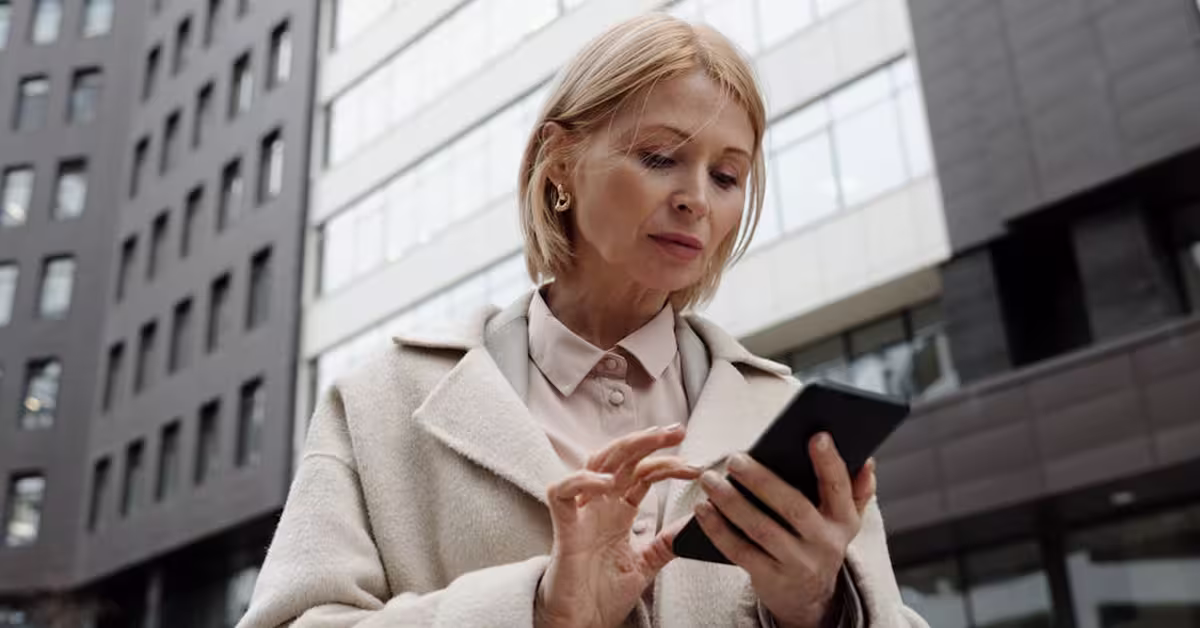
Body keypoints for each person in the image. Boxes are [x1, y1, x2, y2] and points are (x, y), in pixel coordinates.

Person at [238, 12, 927, 628]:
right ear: (559, 162)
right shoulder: (381, 403)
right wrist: (538, 611)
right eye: (660, 158)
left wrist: (820, 610)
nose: (695, 199)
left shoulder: (786, 417)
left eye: (726, 176)